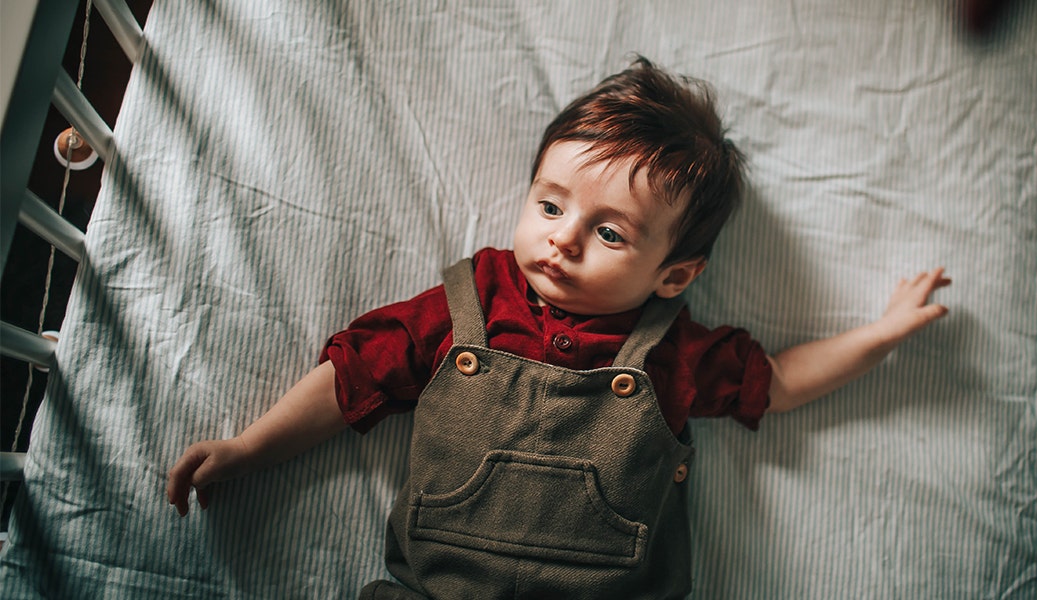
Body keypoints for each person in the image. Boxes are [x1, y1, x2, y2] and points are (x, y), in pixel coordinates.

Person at [166, 57, 951, 599]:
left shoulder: (670, 348)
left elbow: (776, 383)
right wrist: (247, 450)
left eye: (611, 234)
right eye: (549, 206)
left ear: (673, 275)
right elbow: (351, 379)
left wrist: (879, 335)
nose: (563, 239)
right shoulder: (468, 303)